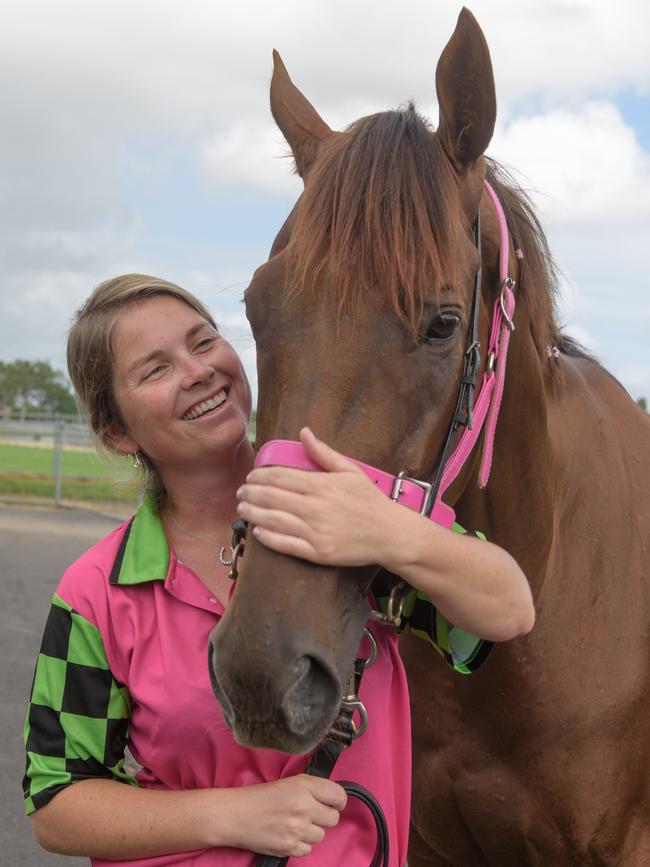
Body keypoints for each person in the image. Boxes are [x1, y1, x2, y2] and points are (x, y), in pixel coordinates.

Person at [23, 274, 535, 866]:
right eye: (156, 370)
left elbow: (506, 611)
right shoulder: (97, 591)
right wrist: (235, 815)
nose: (197, 371)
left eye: (203, 341)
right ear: (117, 431)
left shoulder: (347, 510)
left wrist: (388, 530)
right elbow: (57, 803)